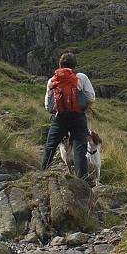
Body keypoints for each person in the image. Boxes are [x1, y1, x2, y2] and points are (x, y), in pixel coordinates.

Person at [41, 51, 96, 180]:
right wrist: (83, 109)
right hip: (78, 117)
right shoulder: (81, 77)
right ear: (75, 66)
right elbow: (91, 97)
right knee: (79, 148)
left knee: (50, 146)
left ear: (60, 65)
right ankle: (81, 181)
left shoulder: (52, 80)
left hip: (60, 117)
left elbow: (47, 105)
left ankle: (42, 174)